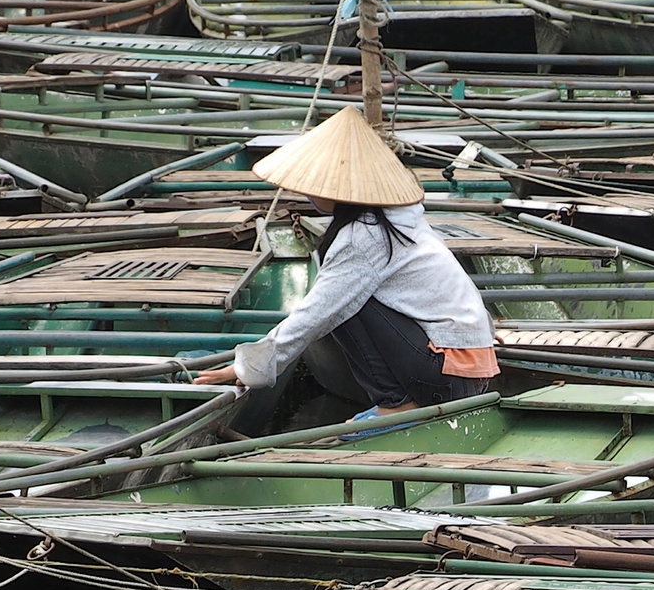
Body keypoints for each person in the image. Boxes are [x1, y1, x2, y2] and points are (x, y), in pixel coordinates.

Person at [195, 106, 498, 428]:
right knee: (344, 297)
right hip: (468, 370)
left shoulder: (365, 236)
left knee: (342, 303)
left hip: (447, 377)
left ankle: (396, 402)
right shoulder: (400, 219)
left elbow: (317, 313)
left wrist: (248, 369)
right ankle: (398, 400)